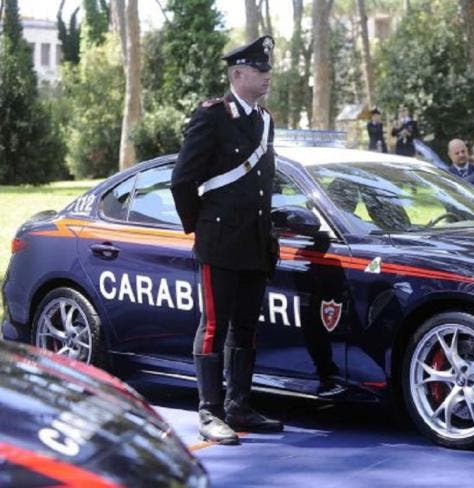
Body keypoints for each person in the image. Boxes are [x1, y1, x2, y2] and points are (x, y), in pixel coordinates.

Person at [170, 36, 284, 445]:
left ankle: (239, 406)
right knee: (215, 326)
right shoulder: (213, 117)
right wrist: (200, 225)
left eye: (267, 69)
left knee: (247, 329)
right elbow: (183, 179)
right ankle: (210, 412)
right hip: (219, 240)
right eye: (259, 70)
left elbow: (262, 186)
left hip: (253, 242)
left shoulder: (264, 120)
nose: (267, 76)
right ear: (237, 74)